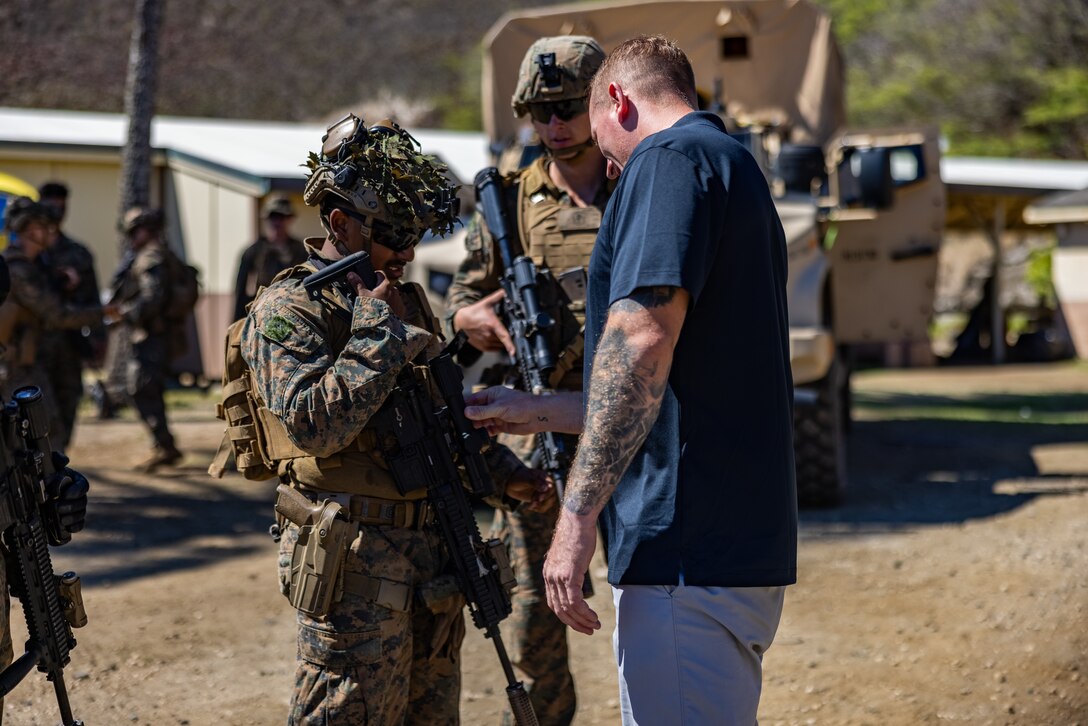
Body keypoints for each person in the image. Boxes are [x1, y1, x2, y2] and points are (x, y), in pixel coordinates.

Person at [463, 36, 798, 725]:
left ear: (617, 100)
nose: (601, 158)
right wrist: (542, 410)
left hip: (683, 551)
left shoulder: (666, 160)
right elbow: (669, 390)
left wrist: (576, 520)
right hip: (725, 542)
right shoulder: (728, 164)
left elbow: (641, 344)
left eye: (592, 126)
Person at [239, 113, 550, 725]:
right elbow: (312, 425)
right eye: (394, 233)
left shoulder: (403, 295)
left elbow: (439, 414)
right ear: (339, 222)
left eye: (415, 233)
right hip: (354, 568)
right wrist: (376, 333)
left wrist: (505, 472)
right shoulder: (289, 308)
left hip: (432, 563)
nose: (408, 251)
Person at [443, 34, 609, 726]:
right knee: (536, 627)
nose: (554, 126)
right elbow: (462, 296)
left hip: (634, 430)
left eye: (569, 106)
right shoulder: (511, 203)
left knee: (657, 608)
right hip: (545, 440)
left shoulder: (643, 185)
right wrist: (468, 318)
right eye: (540, 112)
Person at [0, 198, 105, 447]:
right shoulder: (17, 268)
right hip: (13, 366)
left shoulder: (35, 266)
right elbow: (56, 314)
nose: (51, 233)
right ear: (32, 230)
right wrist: (105, 312)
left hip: (27, 362)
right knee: (42, 431)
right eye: (46, 227)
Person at [107, 207, 182, 472]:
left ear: (145, 230)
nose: (130, 238)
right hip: (153, 335)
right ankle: (163, 444)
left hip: (153, 336)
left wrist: (123, 314)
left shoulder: (151, 257)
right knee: (146, 389)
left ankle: (163, 445)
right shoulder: (152, 255)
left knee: (141, 388)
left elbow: (152, 297)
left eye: (133, 232)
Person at [37, 181, 104, 449]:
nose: (56, 214)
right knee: (39, 408)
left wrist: (99, 338)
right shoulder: (30, 253)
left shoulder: (78, 252)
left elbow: (93, 297)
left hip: (70, 343)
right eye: (51, 207)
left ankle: (58, 462)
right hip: (37, 346)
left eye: (61, 208)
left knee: (67, 405)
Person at [232, 194, 306, 321]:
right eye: (273, 216)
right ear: (266, 219)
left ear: (289, 219)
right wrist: (238, 323)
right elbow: (240, 292)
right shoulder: (254, 251)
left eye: (282, 217)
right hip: (261, 313)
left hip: (294, 313)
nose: (277, 222)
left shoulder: (301, 250)